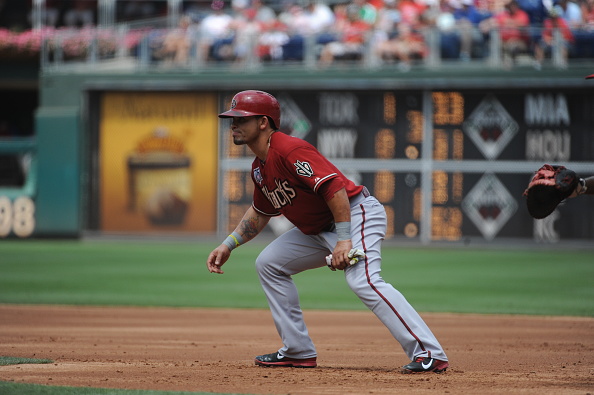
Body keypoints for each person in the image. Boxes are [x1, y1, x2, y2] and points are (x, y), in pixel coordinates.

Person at [206, 90, 449, 373]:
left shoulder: (288, 149)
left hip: (356, 214)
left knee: (363, 281)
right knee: (269, 264)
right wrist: (229, 243)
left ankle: (429, 352)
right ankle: (298, 351)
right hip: (320, 229)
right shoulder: (259, 167)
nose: (233, 124)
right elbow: (261, 212)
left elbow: (333, 189)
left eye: (241, 118)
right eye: (231, 119)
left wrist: (344, 240)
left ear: (263, 122)